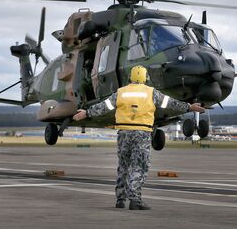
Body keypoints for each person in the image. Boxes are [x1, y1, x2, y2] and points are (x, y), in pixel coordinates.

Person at [73, 65, 204, 210]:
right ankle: (135, 200)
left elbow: (104, 107)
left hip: (124, 133)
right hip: (141, 133)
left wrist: (86, 113)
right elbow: (171, 103)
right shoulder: (152, 93)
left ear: (130, 77)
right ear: (145, 78)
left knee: (123, 165)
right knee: (139, 165)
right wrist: (189, 107)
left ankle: (120, 199)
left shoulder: (120, 93)